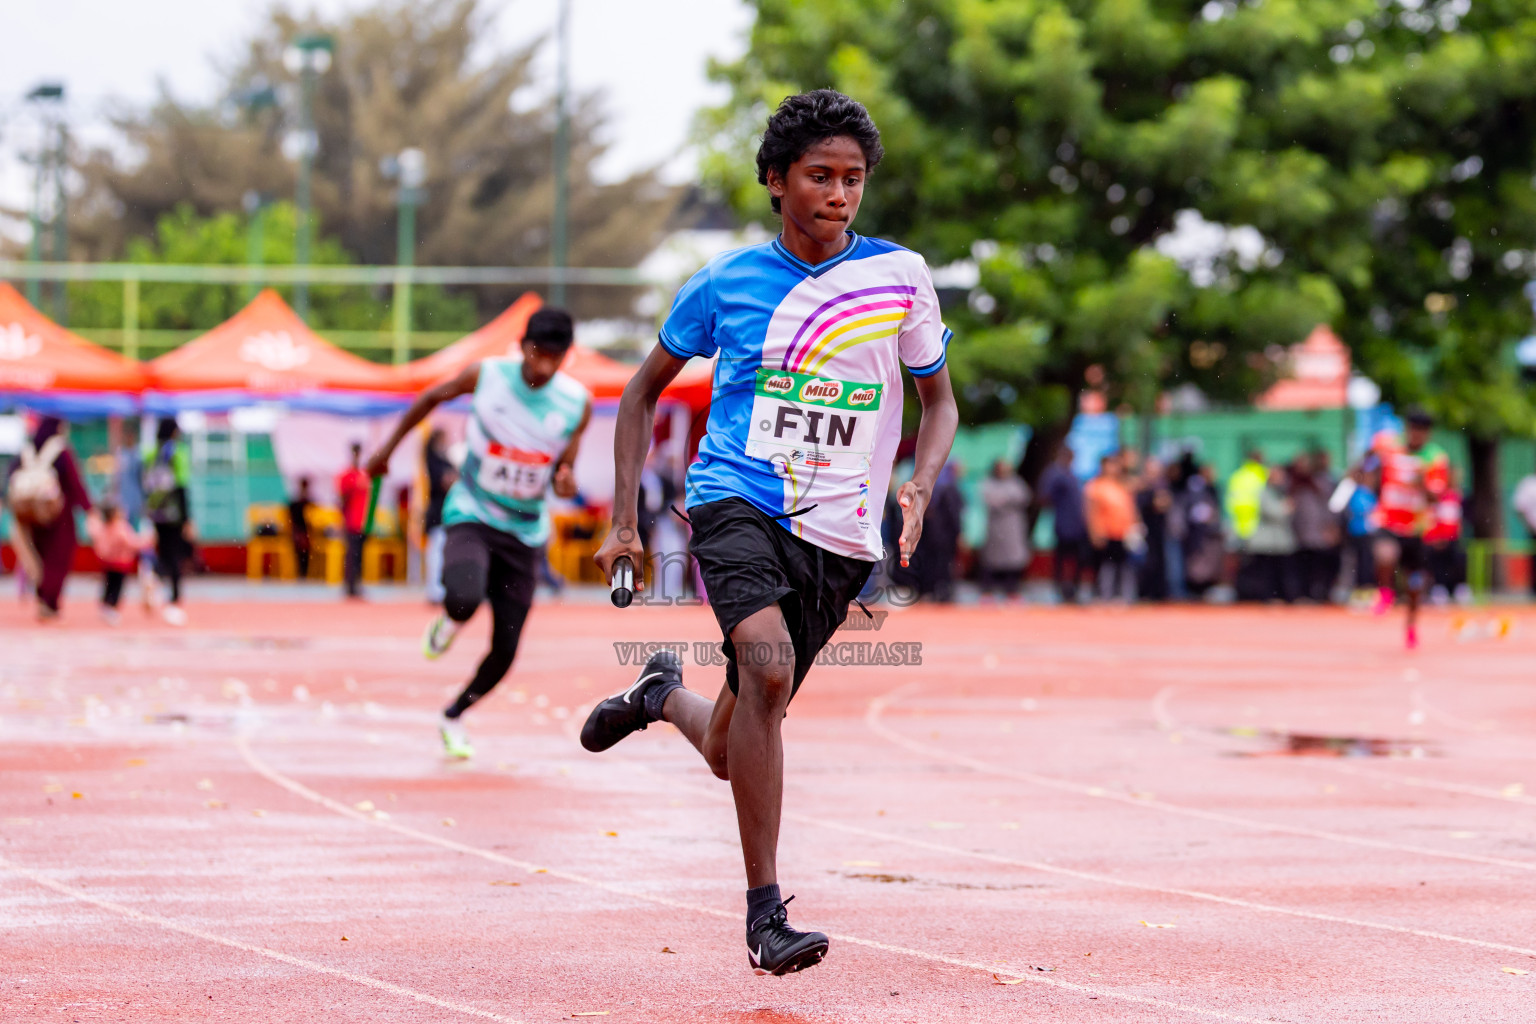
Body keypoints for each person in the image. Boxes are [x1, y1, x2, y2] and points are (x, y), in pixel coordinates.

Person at [580, 90, 958, 977]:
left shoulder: (901, 277)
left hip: (842, 533)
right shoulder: (725, 286)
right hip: (736, 499)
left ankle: (656, 696)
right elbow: (638, 394)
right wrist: (624, 521)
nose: (839, 194)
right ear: (775, 180)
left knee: (733, 739)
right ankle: (765, 915)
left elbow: (938, 403)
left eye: (854, 179)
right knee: (767, 664)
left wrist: (924, 481)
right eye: (820, 177)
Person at [365, 307, 590, 758]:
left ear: (566, 356)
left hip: (525, 531)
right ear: (523, 345)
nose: (543, 366)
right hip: (474, 510)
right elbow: (430, 398)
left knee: (505, 650)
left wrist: (566, 479)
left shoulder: (576, 403)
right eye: (537, 354)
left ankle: (454, 715)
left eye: (554, 357)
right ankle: (449, 622)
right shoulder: (486, 375)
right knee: (464, 597)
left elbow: (566, 467)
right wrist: (386, 449)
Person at [1371, 408, 1449, 648]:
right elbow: (1370, 466)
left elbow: (1437, 497)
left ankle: (1411, 625)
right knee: (1385, 553)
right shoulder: (1390, 447)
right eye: (1412, 429)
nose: (1416, 435)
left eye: (1421, 431)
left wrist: (1422, 485)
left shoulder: (1435, 458)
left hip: (1416, 528)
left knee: (1414, 583)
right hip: (1389, 520)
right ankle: (1386, 592)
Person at [5, 416, 91, 620]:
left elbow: (11, 477)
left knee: (41, 557)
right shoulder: (61, 450)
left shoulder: (27, 450)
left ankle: (45, 598)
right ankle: (49, 600)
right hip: (58, 518)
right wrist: (88, 509)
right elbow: (74, 482)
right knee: (58, 559)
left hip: (32, 515)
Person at [143, 417, 193, 626]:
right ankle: (173, 597)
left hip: (156, 511)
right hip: (174, 513)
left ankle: (155, 578)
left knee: (162, 550)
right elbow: (182, 487)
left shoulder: (150, 452)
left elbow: (146, 483)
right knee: (175, 554)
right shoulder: (178, 452)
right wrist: (187, 518)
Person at [85, 500, 152, 625]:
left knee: (108, 584)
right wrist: (146, 542)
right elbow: (132, 542)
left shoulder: (102, 527)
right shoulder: (120, 528)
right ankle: (112, 606)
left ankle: (105, 603)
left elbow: (93, 532)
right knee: (117, 586)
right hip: (121, 563)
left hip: (107, 563)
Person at [1039, 445, 1090, 602]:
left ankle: (1072, 589)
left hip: (1076, 524)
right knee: (1062, 559)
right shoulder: (1055, 474)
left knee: (1077, 559)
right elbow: (1044, 497)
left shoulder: (1070, 474)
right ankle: (1061, 589)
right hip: (1063, 523)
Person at [1085, 452, 1138, 601]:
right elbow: (1091, 511)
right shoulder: (1096, 486)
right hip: (1106, 532)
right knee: (1106, 566)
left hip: (1123, 533)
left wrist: (1133, 527)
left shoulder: (1122, 486)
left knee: (1124, 566)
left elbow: (1130, 509)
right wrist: (1095, 532)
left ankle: (1122, 595)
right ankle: (1103, 594)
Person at [1289, 452, 1341, 603]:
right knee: (1304, 566)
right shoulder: (1296, 483)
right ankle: (1305, 594)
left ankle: (1320, 594)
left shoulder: (1323, 482)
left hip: (1318, 533)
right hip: (1302, 533)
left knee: (1320, 566)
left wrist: (1331, 526)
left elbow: (1330, 508)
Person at [979, 458, 1030, 599]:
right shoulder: (989, 483)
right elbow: (992, 500)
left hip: (1012, 529)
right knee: (992, 562)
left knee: (1013, 562)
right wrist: (1008, 500)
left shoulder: (1016, 482)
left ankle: (1012, 592)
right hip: (996, 530)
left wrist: (1005, 500)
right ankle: (987, 593)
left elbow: (1024, 496)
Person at [1247, 465, 1298, 602]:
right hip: (1266, 541)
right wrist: (1286, 507)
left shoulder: (1282, 492)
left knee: (1281, 572)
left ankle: (1280, 597)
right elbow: (1273, 512)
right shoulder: (1264, 492)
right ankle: (1267, 597)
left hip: (1280, 542)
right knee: (1266, 572)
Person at [422, 429, 458, 604]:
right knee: (436, 554)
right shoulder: (434, 460)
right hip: (438, 514)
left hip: (446, 514)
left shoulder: (444, 459)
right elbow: (446, 481)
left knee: (443, 554)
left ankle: (440, 590)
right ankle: (434, 591)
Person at [336, 444, 372, 599]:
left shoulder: (364, 475)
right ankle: (349, 585)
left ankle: (356, 583)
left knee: (360, 554)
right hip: (351, 520)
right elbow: (342, 498)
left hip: (363, 521)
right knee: (352, 553)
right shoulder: (347, 475)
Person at [1514, 468, 1536, 596]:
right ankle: (1533, 589)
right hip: (1533, 530)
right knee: (1533, 561)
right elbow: (1519, 507)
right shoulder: (1528, 484)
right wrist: (1529, 525)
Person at [288, 476, 314, 579]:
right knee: (301, 542)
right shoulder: (298, 503)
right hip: (300, 531)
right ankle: (302, 570)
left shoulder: (308, 502)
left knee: (304, 542)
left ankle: (303, 570)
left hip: (306, 533)